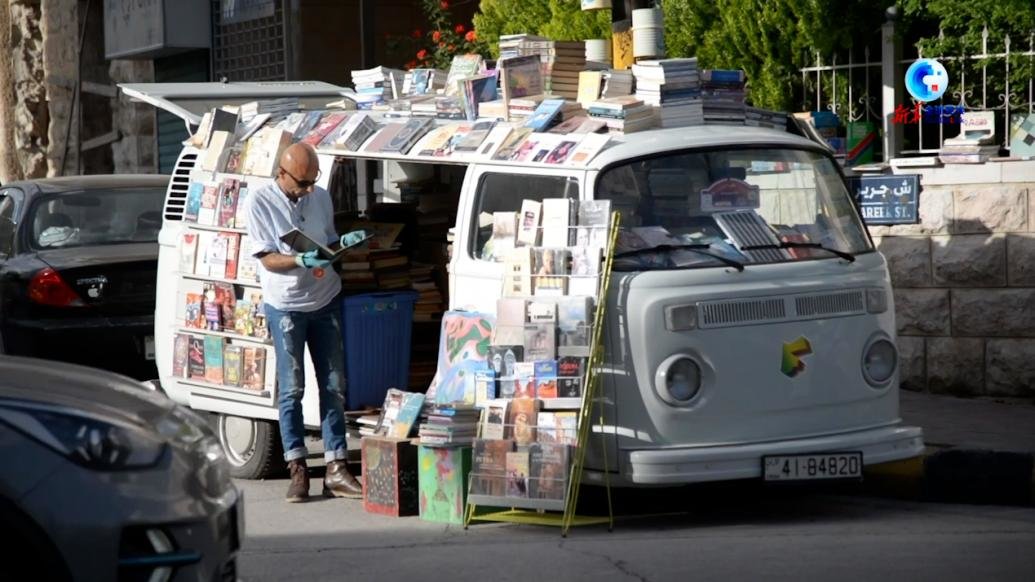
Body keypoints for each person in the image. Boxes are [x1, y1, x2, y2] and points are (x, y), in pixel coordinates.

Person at [245, 142, 367, 503]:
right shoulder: (260, 202)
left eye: (313, 181)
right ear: (281, 174)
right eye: (302, 182)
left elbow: (328, 241)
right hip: (286, 305)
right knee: (292, 389)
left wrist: (341, 245)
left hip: (325, 297)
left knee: (334, 385)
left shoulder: (320, 196)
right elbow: (267, 258)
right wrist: (300, 260)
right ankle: (297, 468)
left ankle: (337, 467)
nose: (308, 189)